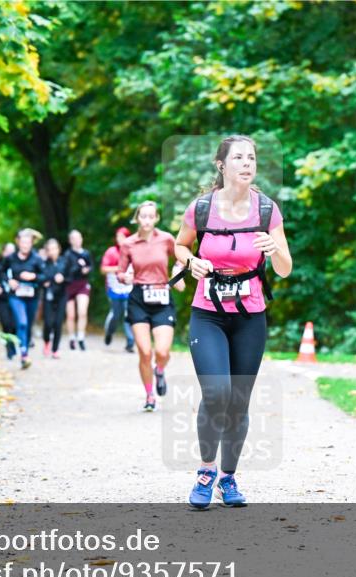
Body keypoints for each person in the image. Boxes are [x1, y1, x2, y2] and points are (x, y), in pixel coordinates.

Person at [171, 135, 292, 509]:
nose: (246, 163)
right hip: (208, 313)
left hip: (250, 314)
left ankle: (228, 478)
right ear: (221, 165)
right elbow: (178, 246)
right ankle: (206, 472)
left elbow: (286, 270)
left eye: (251, 157)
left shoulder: (268, 210)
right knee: (217, 392)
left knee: (238, 401)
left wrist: (275, 252)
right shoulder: (202, 209)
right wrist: (191, 262)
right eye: (238, 157)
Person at [117, 201, 186, 412]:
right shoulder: (128, 244)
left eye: (150, 216)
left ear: (156, 219)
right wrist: (125, 277)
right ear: (137, 218)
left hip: (162, 296)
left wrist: (177, 271)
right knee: (145, 351)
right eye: (143, 216)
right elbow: (119, 273)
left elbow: (182, 258)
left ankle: (160, 369)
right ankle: (149, 395)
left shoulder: (166, 239)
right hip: (139, 297)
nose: (146, 220)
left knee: (162, 351)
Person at [3, 230, 46, 370]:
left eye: (28, 243)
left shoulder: (37, 259)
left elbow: (45, 276)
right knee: (22, 322)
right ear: (18, 242)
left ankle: (24, 351)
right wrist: (9, 281)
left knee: (28, 324)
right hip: (15, 296)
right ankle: (24, 353)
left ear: (31, 243)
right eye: (23, 242)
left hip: (32, 296)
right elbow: (1, 272)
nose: (25, 245)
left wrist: (33, 276)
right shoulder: (10, 258)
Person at [101, 226, 136, 353]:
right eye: (118, 237)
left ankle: (130, 342)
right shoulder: (111, 252)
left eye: (122, 237)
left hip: (129, 288)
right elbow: (103, 269)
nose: (119, 240)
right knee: (116, 315)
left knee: (128, 314)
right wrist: (119, 268)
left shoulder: (133, 251)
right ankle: (109, 332)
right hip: (114, 288)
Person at [62, 230, 94, 351]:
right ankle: (71, 337)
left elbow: (91, 267)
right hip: (70, 285)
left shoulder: (86, 253)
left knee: (82, 312)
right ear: (70, 241)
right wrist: (77, 267)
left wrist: (87, 269)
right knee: (70, 315)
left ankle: (81, 337)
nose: (77, 240)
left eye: (79, 237)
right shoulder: (67, 255)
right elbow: (65, 270)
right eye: (74, 238)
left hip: (82, 284)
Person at [40, 238, 67, 359]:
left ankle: (55, 349)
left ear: (59, 249)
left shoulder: (65, 261)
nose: (52, 251)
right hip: (48, 296)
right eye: (49, 249)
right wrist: (51, 279)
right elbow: (41, 277)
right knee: (48, 323)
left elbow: (71, 275)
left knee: (58, 323)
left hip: (61, 295)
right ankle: (46, 341)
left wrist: (63, 278)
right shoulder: (44, 263)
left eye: (54, 249)